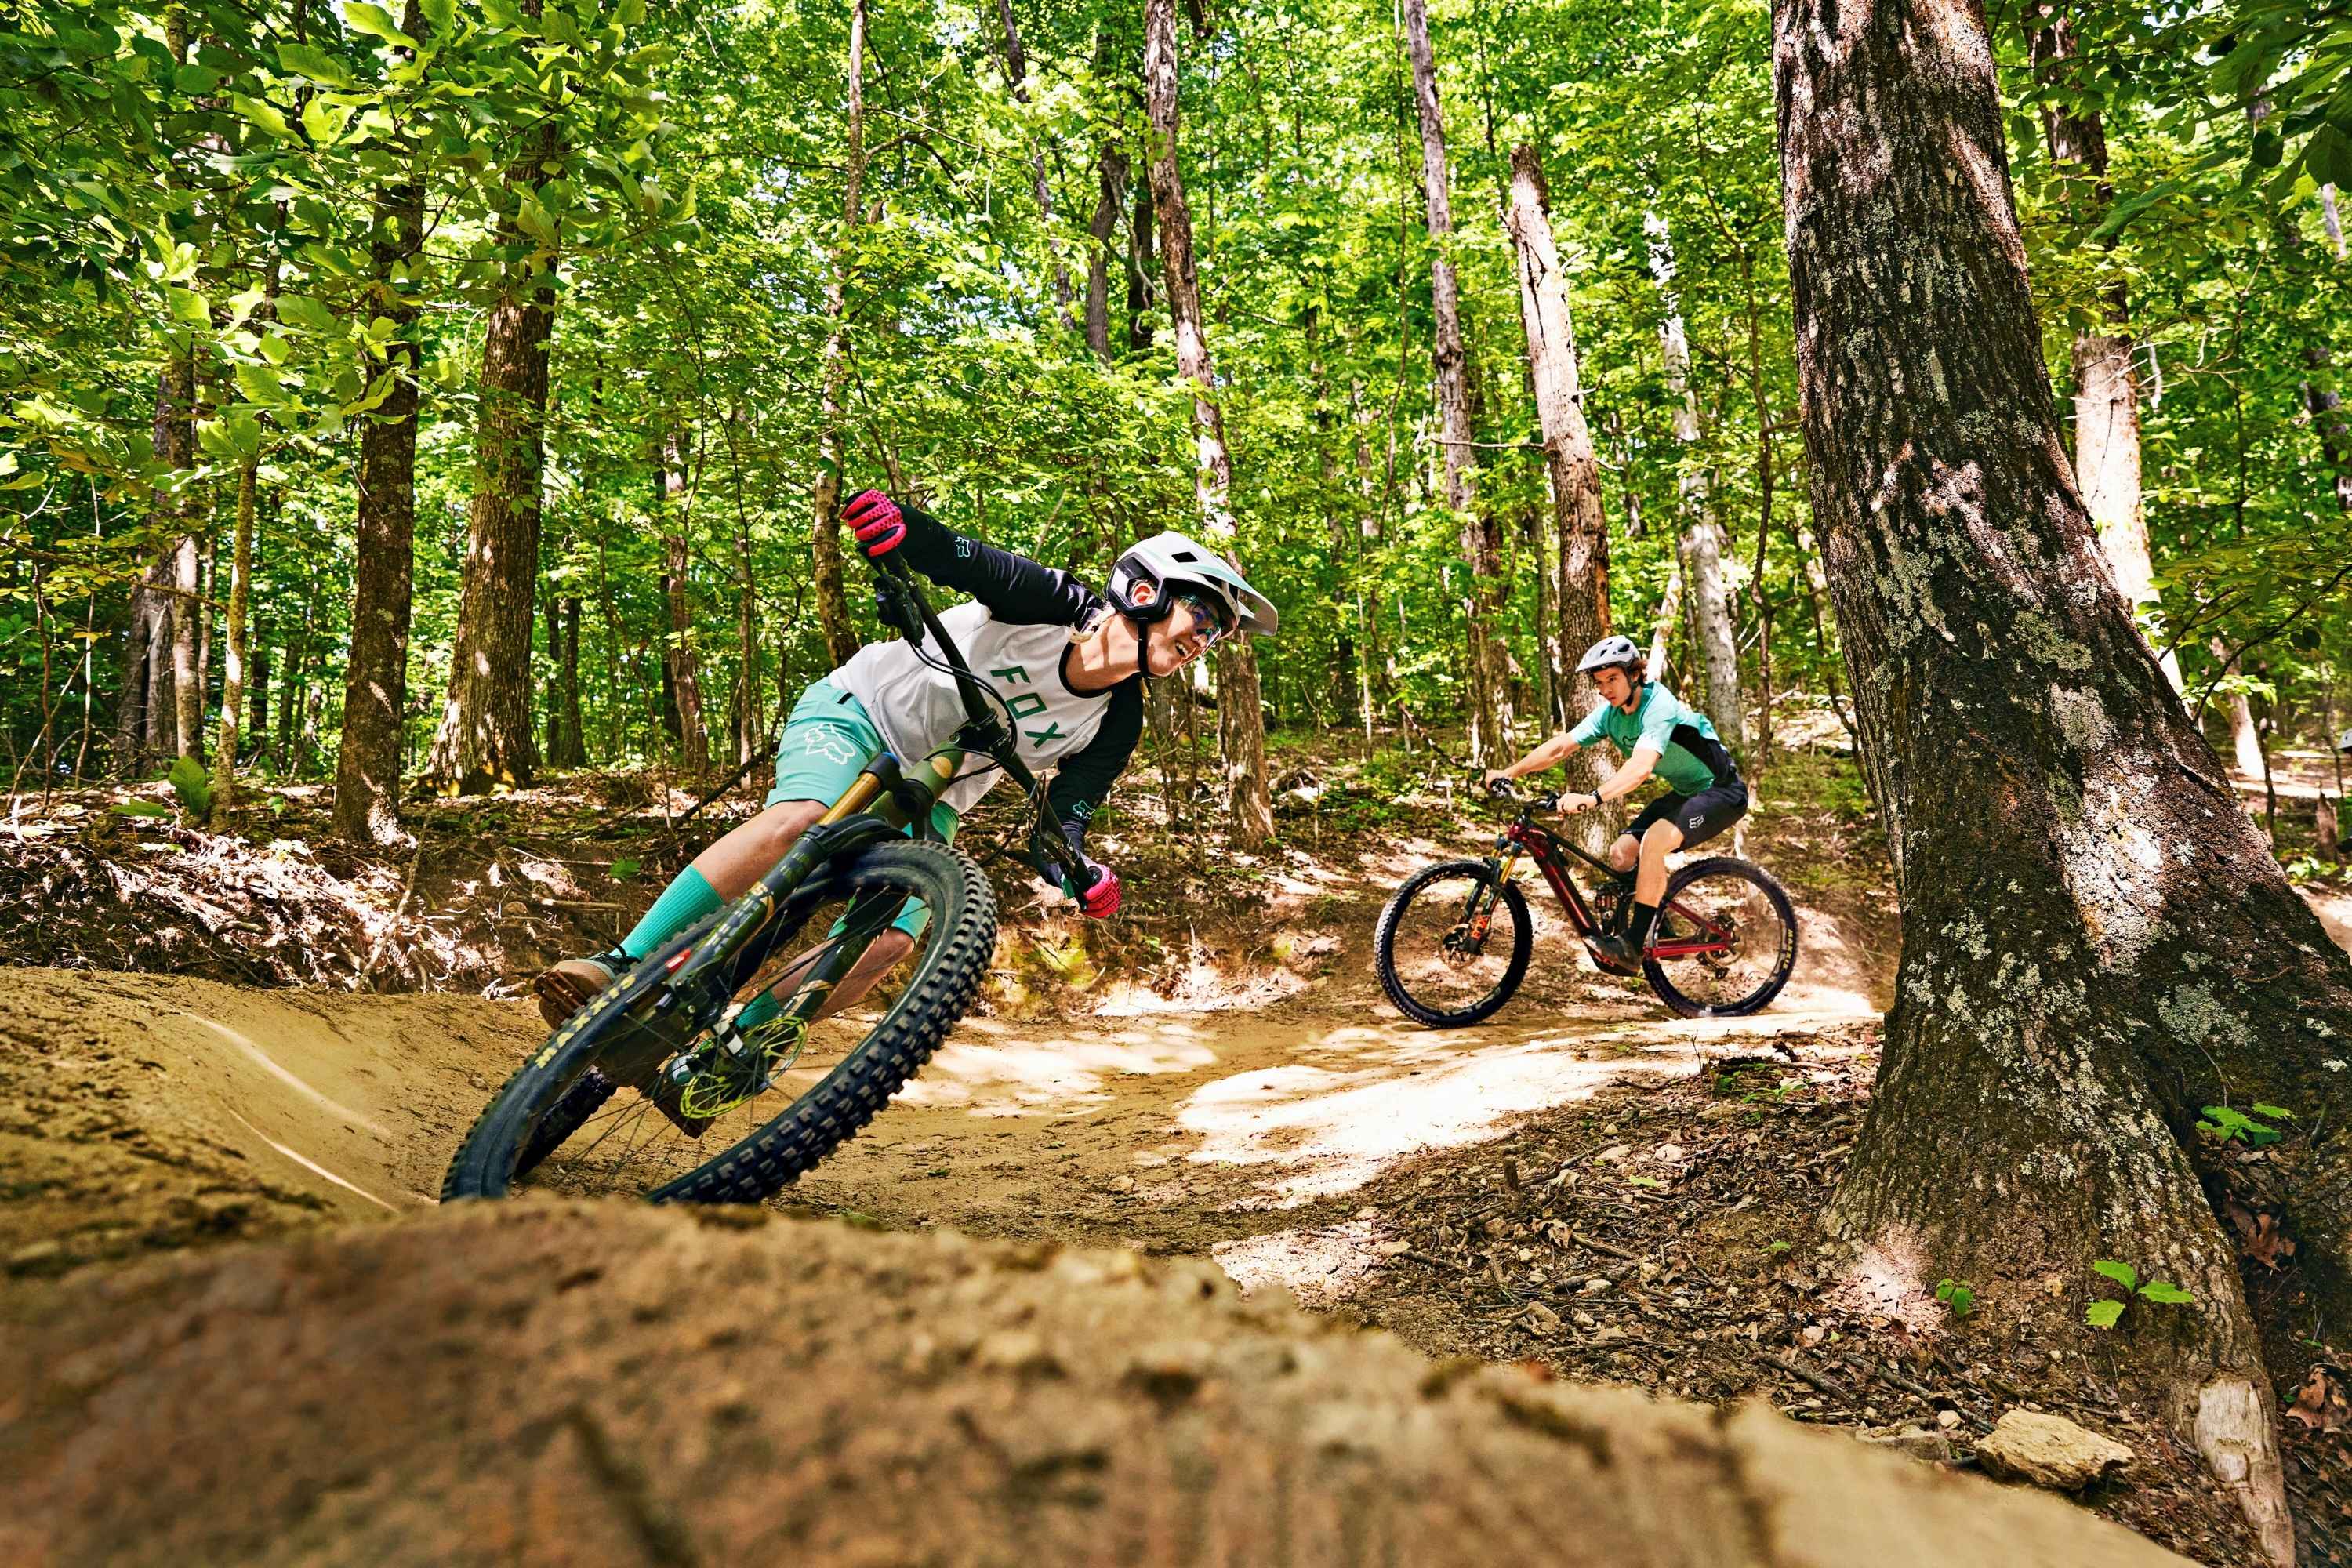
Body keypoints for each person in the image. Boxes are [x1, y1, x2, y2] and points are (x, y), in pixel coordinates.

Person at [533, 488, 1279, 1038]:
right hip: (858, 715)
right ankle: (621, 963)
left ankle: (740, 1040)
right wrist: (897, 525)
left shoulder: (1118, 722)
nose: (1203, 641)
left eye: (1215, 635)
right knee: (803, 819)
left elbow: (1062, 821)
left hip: (934, 797)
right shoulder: (1049, 603)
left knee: (893, 937)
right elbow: (961, 558)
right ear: (1145, 593)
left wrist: (1076, 870)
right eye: (1202, 617)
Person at [1484, 634, 1747, 973]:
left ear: (1633, 674)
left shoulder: (1659, 705)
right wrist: (1509, 772)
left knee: (1653, 841)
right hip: (1687, 791)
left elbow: (1640, 768)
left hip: (1722, 791)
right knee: (1622, 854)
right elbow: (1561, 746)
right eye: (1599, 682)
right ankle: (1659, 929)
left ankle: (1633, 947)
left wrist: (1592, 798)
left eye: (1612, 679)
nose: (1606, 689)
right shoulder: (1610, 715)